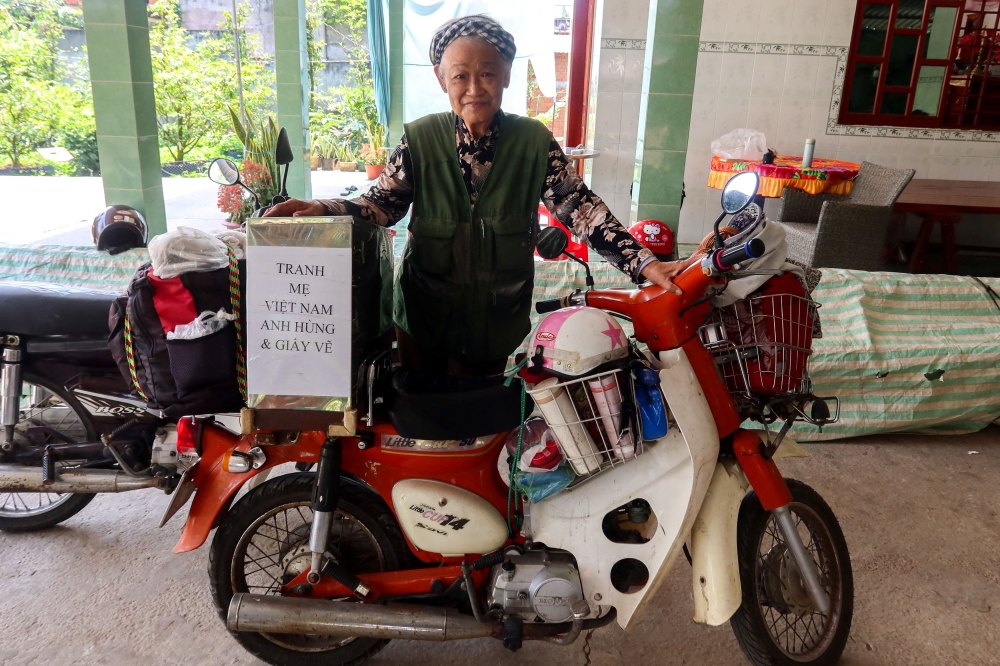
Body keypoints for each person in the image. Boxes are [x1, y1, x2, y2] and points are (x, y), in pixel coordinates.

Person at [267, 14, 691, 376]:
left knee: (480, 425)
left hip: (497, 322)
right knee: (426, 424)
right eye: (460, 75)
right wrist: (321, 207)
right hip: (423, 318)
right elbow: (381, 203)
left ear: (507, 73)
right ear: (441, 78)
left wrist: (646, 264)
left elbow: (582, 210)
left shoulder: (533, 142)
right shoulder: (420, 139)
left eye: (487, 73)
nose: (474, 87)